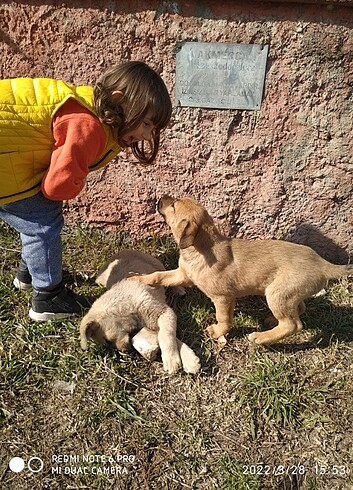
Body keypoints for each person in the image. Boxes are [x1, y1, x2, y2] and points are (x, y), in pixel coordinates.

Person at [0, 61, 172, 321]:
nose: (148, 136)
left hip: (9, 154)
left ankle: (32, 274)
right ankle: (48, 297)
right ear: (118, 101)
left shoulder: (91, 110)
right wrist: (74, 182)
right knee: (43, 223)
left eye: (153, 129)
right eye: (146, 124)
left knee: (38, 215)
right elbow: (55, 187)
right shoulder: (88, 125)